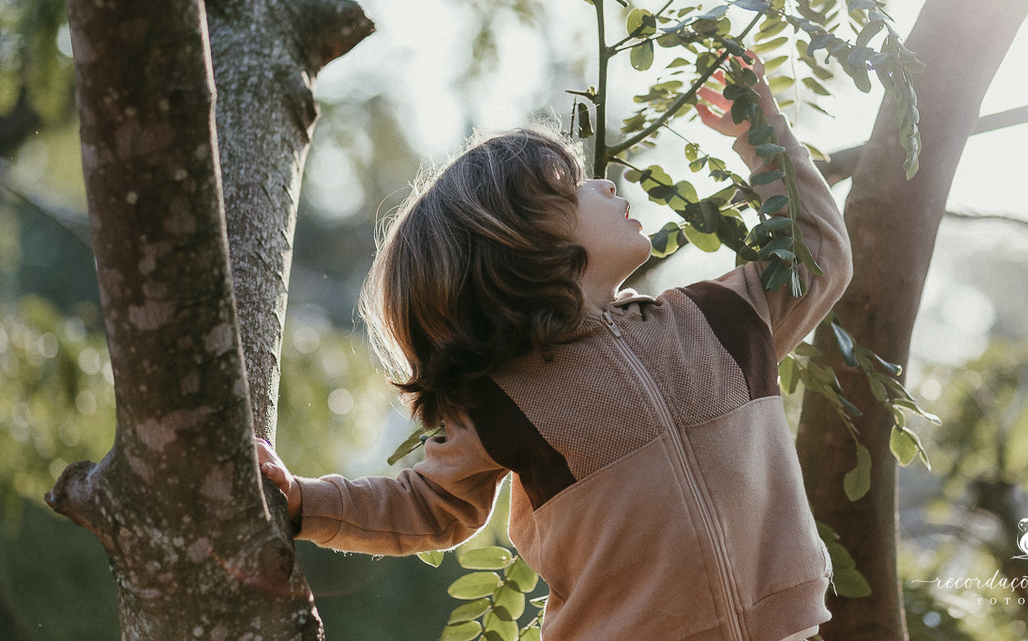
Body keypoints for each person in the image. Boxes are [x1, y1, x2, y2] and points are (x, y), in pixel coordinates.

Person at [257, 54, 853, 641]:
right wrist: (304, 502)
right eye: (571, 185)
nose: (604, 182)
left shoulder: (718, 319)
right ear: (514, 239)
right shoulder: (504, 400)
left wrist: (764, 134)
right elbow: (427, 505)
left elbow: (816, 254)